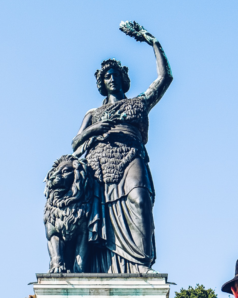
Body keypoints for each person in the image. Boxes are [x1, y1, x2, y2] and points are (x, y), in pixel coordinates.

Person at [70, 26, 171, 273]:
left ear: (123, 78)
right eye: (107, 76)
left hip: (131, 155)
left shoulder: (139, 103)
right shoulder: (93, 113)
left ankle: (140, 263)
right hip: (99, 165)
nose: (112, 78)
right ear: (102, 83)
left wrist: (152, 41)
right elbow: (75, 144)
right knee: (101, 215)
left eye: (115, 74)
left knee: (140, 199)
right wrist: (96, 129)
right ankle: (104, 267)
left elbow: (164, 78)